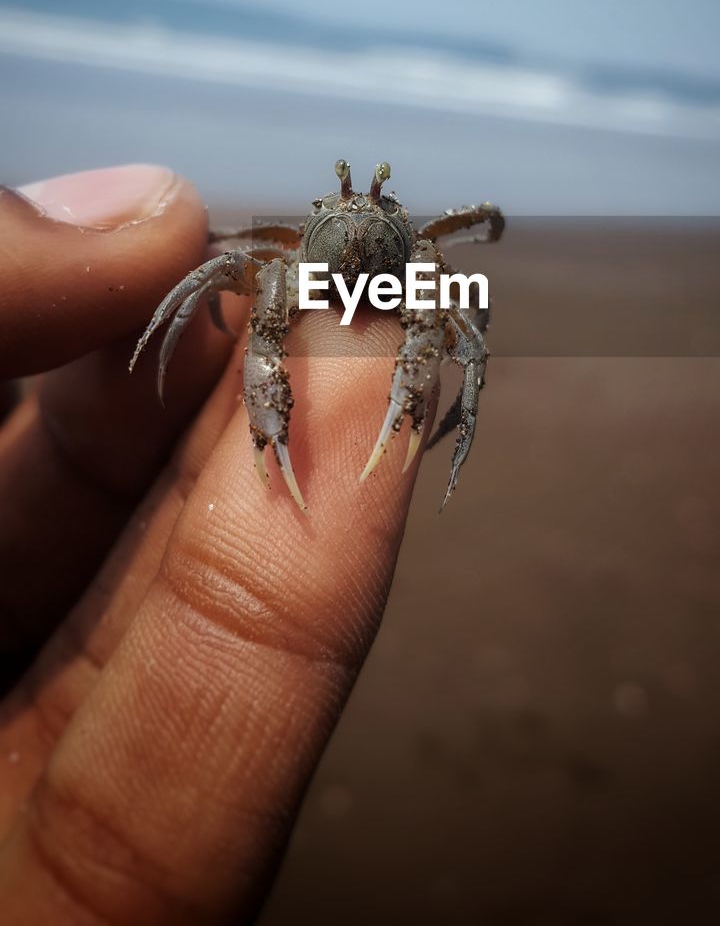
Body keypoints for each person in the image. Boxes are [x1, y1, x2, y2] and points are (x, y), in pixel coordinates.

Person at [0, 164, 427, 924]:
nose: (358, 232)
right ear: (320, 217)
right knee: (236, 284)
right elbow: (224, 265)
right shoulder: (289, 258)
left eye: (375, 217)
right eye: (343, 213)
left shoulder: (419, 268)